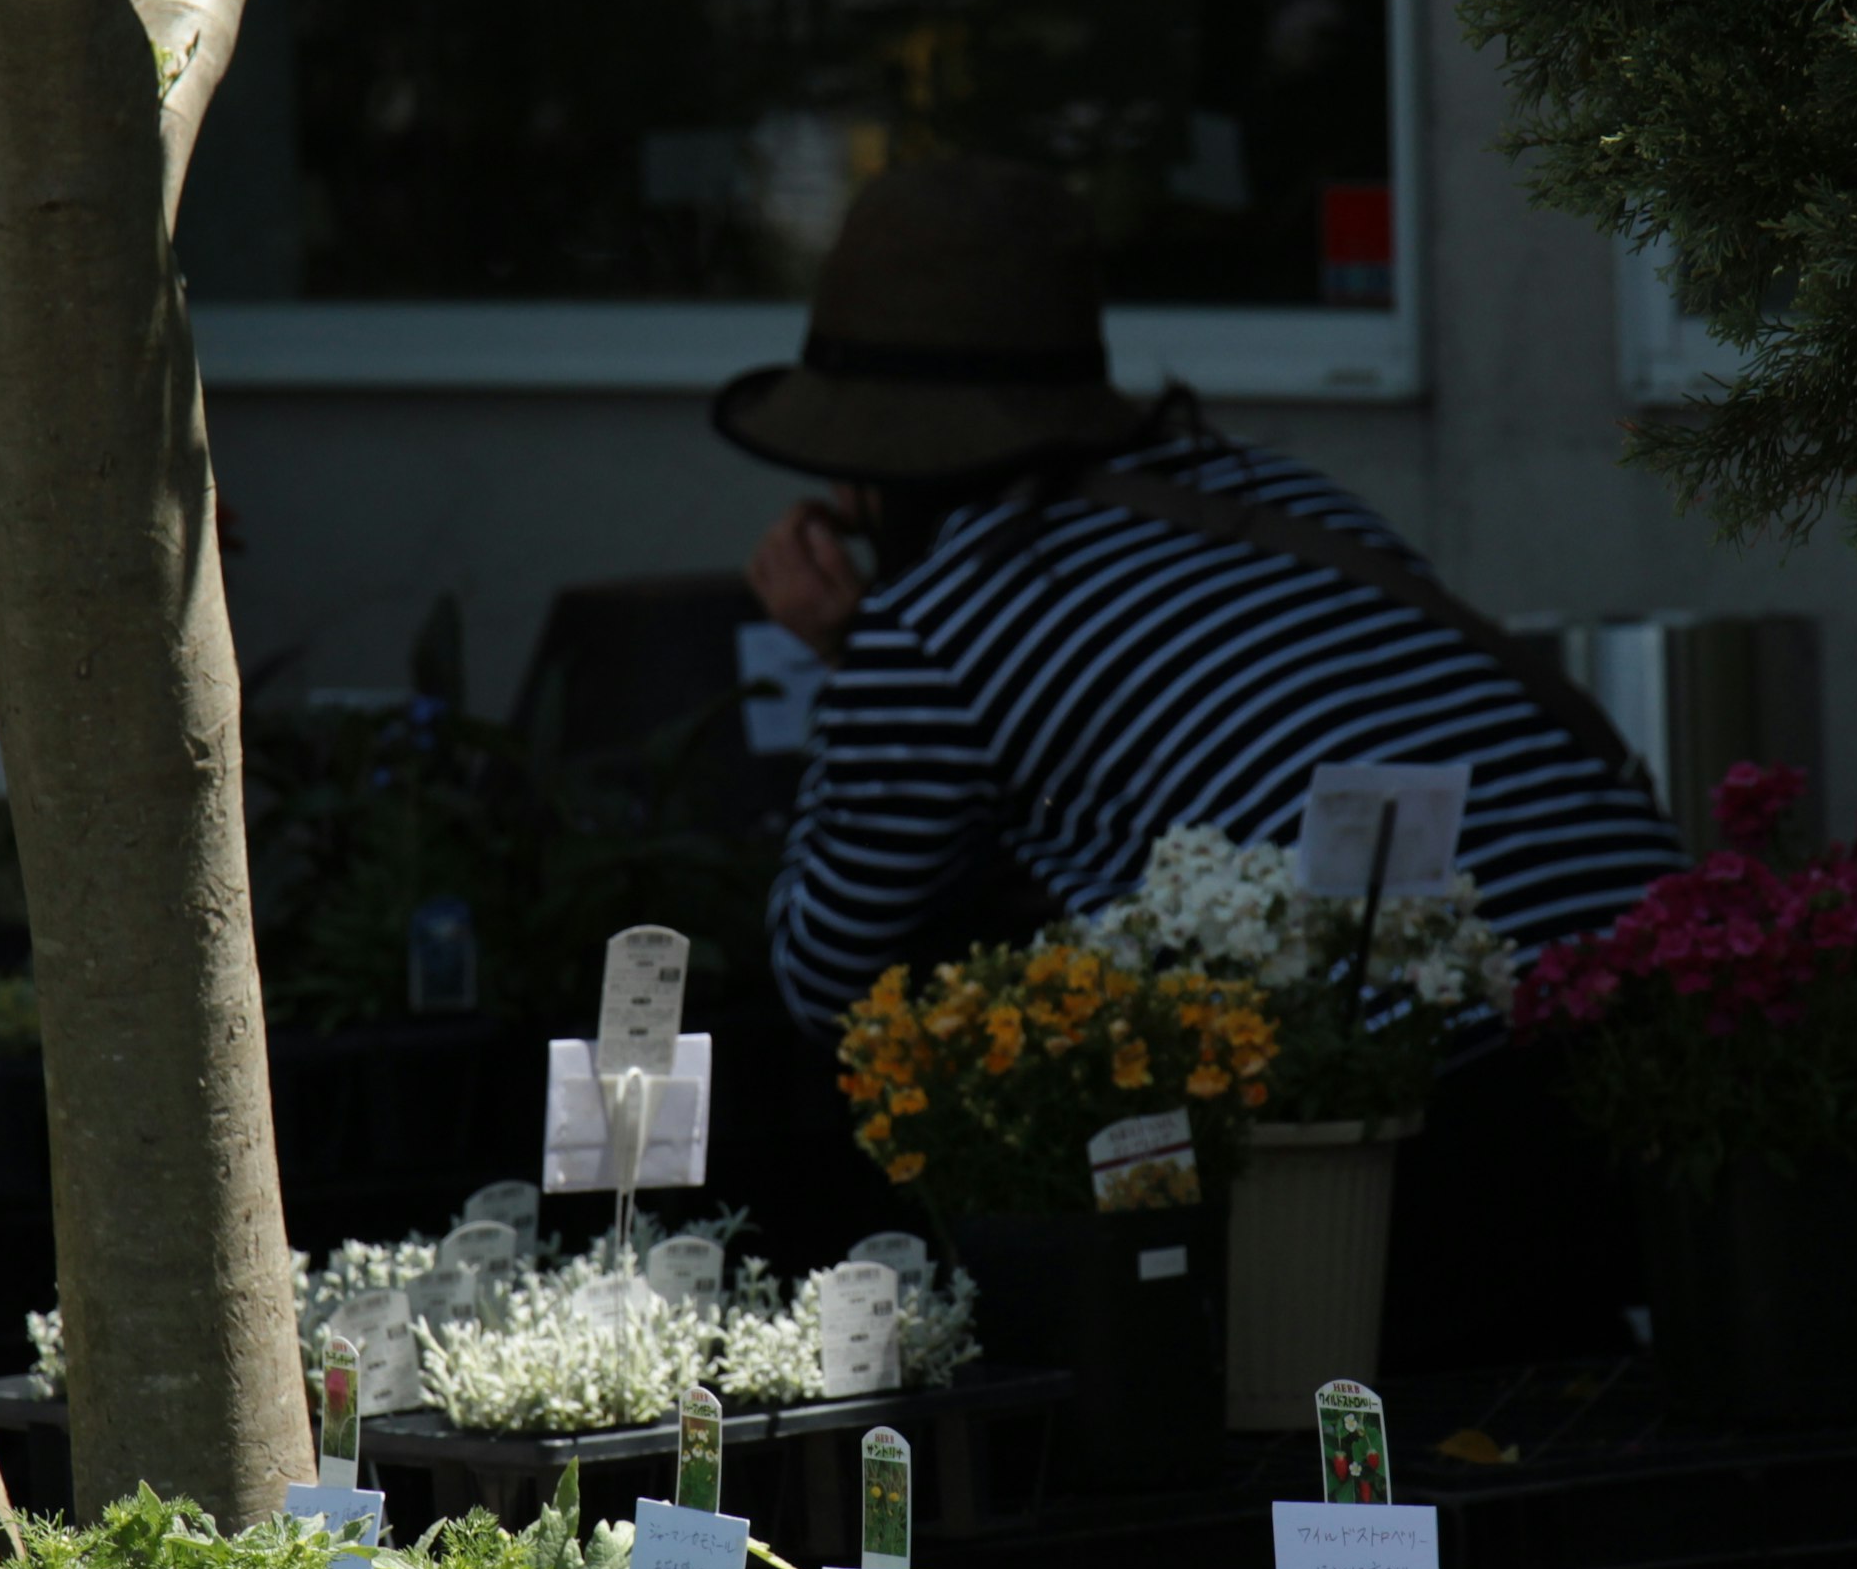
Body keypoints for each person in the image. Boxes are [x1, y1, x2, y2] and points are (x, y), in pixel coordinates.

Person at [717, 155, 1688, 1034]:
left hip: (1432, 1056)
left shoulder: (940, 620)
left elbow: (826, 974)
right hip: (1662, 959)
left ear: (872, 467)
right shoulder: (1274, 492)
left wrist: (849, 658)